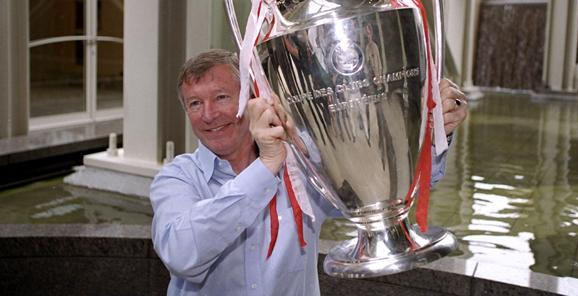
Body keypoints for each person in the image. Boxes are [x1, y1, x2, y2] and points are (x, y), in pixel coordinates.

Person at [150, 49, 468, 296]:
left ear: (251, 99)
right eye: (194, 104)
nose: (208, 115)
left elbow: (385, 187)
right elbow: (182, 255)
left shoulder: (299, 159)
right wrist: (265, 168)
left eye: (221, 97)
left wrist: (433, 131)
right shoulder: (176, 178)